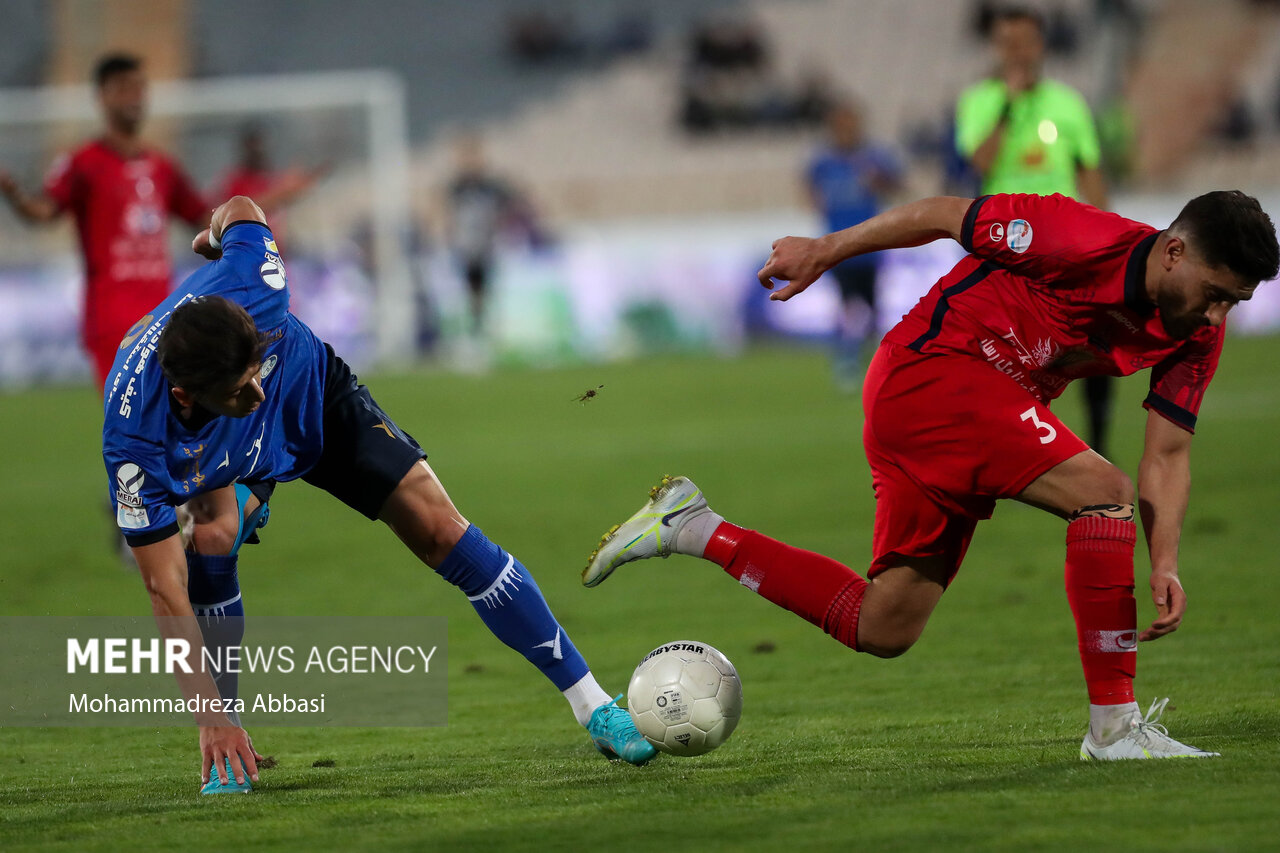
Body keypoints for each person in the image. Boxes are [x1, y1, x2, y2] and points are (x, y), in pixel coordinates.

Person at [584, 189, 1278, 760]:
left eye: (1234, 303)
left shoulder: (1198, 331)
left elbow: (1168, 453)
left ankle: (694, 527)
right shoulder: (1076, 235)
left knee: (884, 624)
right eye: (1215, 292)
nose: (1218, 314)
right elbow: (946, 213)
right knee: (1103, 494)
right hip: (934, 371)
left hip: (974, 408)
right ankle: (1115, 728)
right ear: (1175, 250)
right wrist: (824, 249)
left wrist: (1165, 561)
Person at [103, 195, 656, 795]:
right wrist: (206, 715)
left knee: (439, 528)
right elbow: (163, 588)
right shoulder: (135, 439)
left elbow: (242, 208)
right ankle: (227, 742)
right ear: (186, 397)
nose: (256, 393)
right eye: (241, 389)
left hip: (314, 393)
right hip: (226, 456)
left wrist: (215, 235)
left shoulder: (253, 281)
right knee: (209, 536)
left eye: (257, 368)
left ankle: (593, 704)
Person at [955, 7, 1115, 456]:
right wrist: (1008, 104)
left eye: (1024, 41)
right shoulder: (980, 102)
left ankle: (1099, 443)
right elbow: (982, 163)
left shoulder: (1068, 103)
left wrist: (1108, 233)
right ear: (995, 47)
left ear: (1041, 44)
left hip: (1066, 242)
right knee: (1004, 352)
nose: (1017, 52)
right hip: (1004, 243)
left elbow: (1091, 173)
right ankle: (1018, 446)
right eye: (1008, 43)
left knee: (1092, 341)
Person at [0, 53, 208, 391]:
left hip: (167, 315)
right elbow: (45, 212)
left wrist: (261, 206)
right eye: (123, 89)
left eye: (139, 88)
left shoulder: (163, 167)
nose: (134, 97)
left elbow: (205, 218)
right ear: (102, 96)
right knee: (135, 424)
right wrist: (15, 195)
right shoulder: (82, 163)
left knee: (180, 423)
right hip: (113, 320)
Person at [804, 100, 904, 388]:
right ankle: (846, 361)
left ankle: (875, 362)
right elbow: (810, 189)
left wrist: (879, 182)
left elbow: (897, 184)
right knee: (846, 304)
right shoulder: (823, 161)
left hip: (870, 245)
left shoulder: (874, 157)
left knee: (873, 307)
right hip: (836, 246)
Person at [445, 135, 518, 337]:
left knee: (488, 292)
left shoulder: (492, 186)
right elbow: (448, 214)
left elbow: (508, 206)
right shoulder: (457, 187)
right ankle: (471, 334)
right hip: (465, 248)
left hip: (487, 246)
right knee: (466, 293)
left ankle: (487, 332)